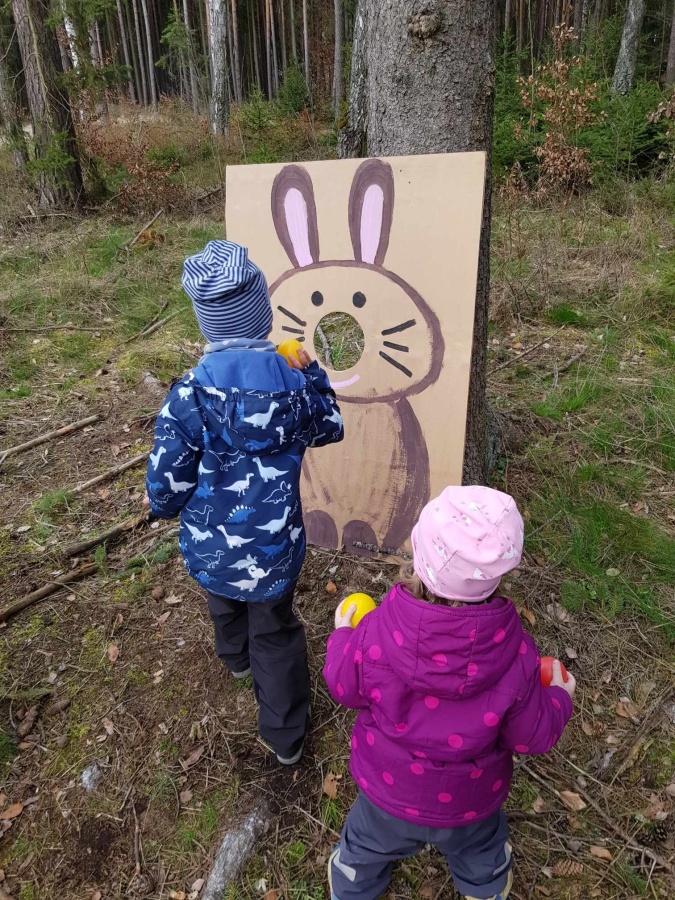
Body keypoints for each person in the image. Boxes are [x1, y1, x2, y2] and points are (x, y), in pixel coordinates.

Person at [323, 485, 575, 900]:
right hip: (471, 803)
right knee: (482, 853)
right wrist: (559, 696)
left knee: (364, 846)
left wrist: (343, 633)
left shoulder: (375, 633)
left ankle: (352, 886)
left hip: (386, 793)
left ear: (418, 558)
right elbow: (530, 737)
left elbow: (341, 684)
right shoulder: (517, 657)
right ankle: (486, 888)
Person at [145, 240, 343, 765]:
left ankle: (235, 659)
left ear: (206, 324)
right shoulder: (294, 385)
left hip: (211, 544)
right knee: (274, 632)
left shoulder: (188, 395)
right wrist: (311, 370)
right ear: (262, 315)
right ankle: (285, 736)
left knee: (222, 597)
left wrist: (162, 505)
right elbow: (331, 425)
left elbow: (166, 478)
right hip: (274, 547)